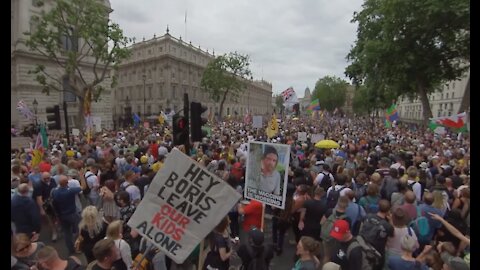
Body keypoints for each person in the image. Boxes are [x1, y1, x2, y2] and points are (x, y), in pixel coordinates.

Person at [52, 175, 83, 255]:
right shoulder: (70, 191)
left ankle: (71, 249)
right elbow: (83, 187)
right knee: (79, 230)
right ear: (67, 183)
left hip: (62, 215)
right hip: (72, 214)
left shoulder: (54, 192)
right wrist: (81, 176)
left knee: (67, 233)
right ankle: (78, 247)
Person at [33, 172, 58, 242]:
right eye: (45, 178)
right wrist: (42, 209)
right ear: (41, 178)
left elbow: (55, 189)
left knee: (56, 216)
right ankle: (54, 232)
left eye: (48, 178)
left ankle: (58, 226)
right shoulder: (38, 185)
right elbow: (39, 198)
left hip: (54, 202)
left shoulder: (52, 180)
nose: (47, 179)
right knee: (49, 219)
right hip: (46, 204)